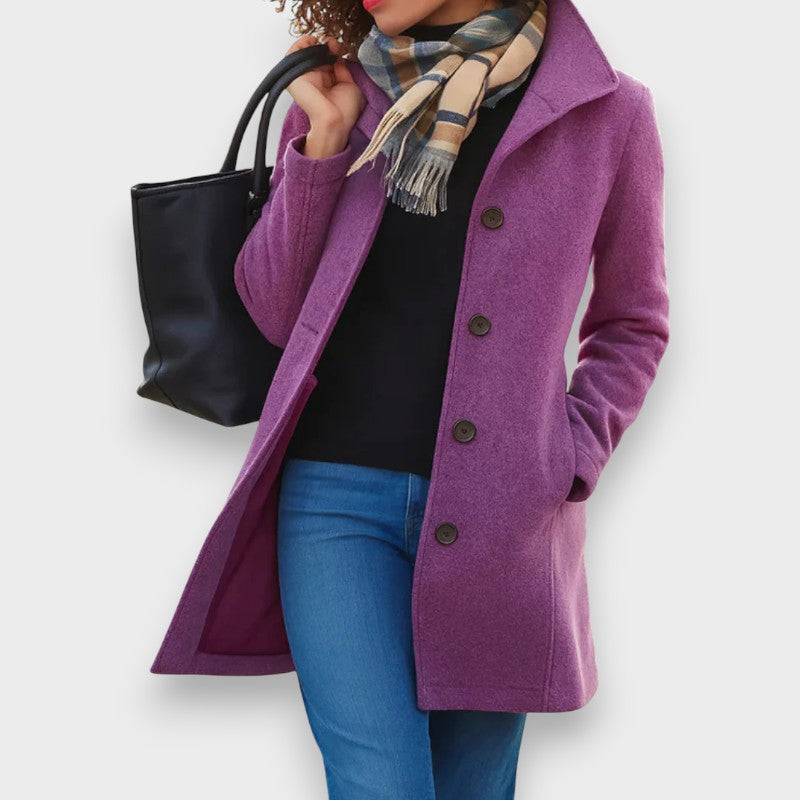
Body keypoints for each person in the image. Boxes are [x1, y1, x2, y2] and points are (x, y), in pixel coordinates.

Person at [154, 1, 669, 797]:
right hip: (334, 506)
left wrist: (569, 455)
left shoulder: (606, 111)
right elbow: (274, 312)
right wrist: (323, 143)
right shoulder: (344, 91)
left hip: (505, 525)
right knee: (379, 784)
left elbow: (634, 321)